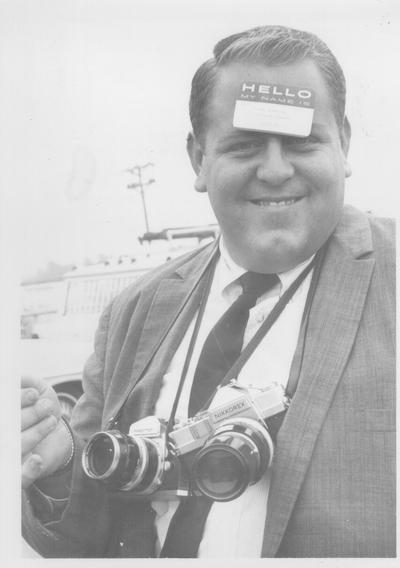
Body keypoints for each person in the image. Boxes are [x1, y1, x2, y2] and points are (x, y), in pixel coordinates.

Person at [21, 25, 395, 558]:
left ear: (345, 144)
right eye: (244, 146)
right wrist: (57, 468)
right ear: (198, 159)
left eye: (301, 141)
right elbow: (82, 536)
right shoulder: (135, 311)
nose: (274, 169)